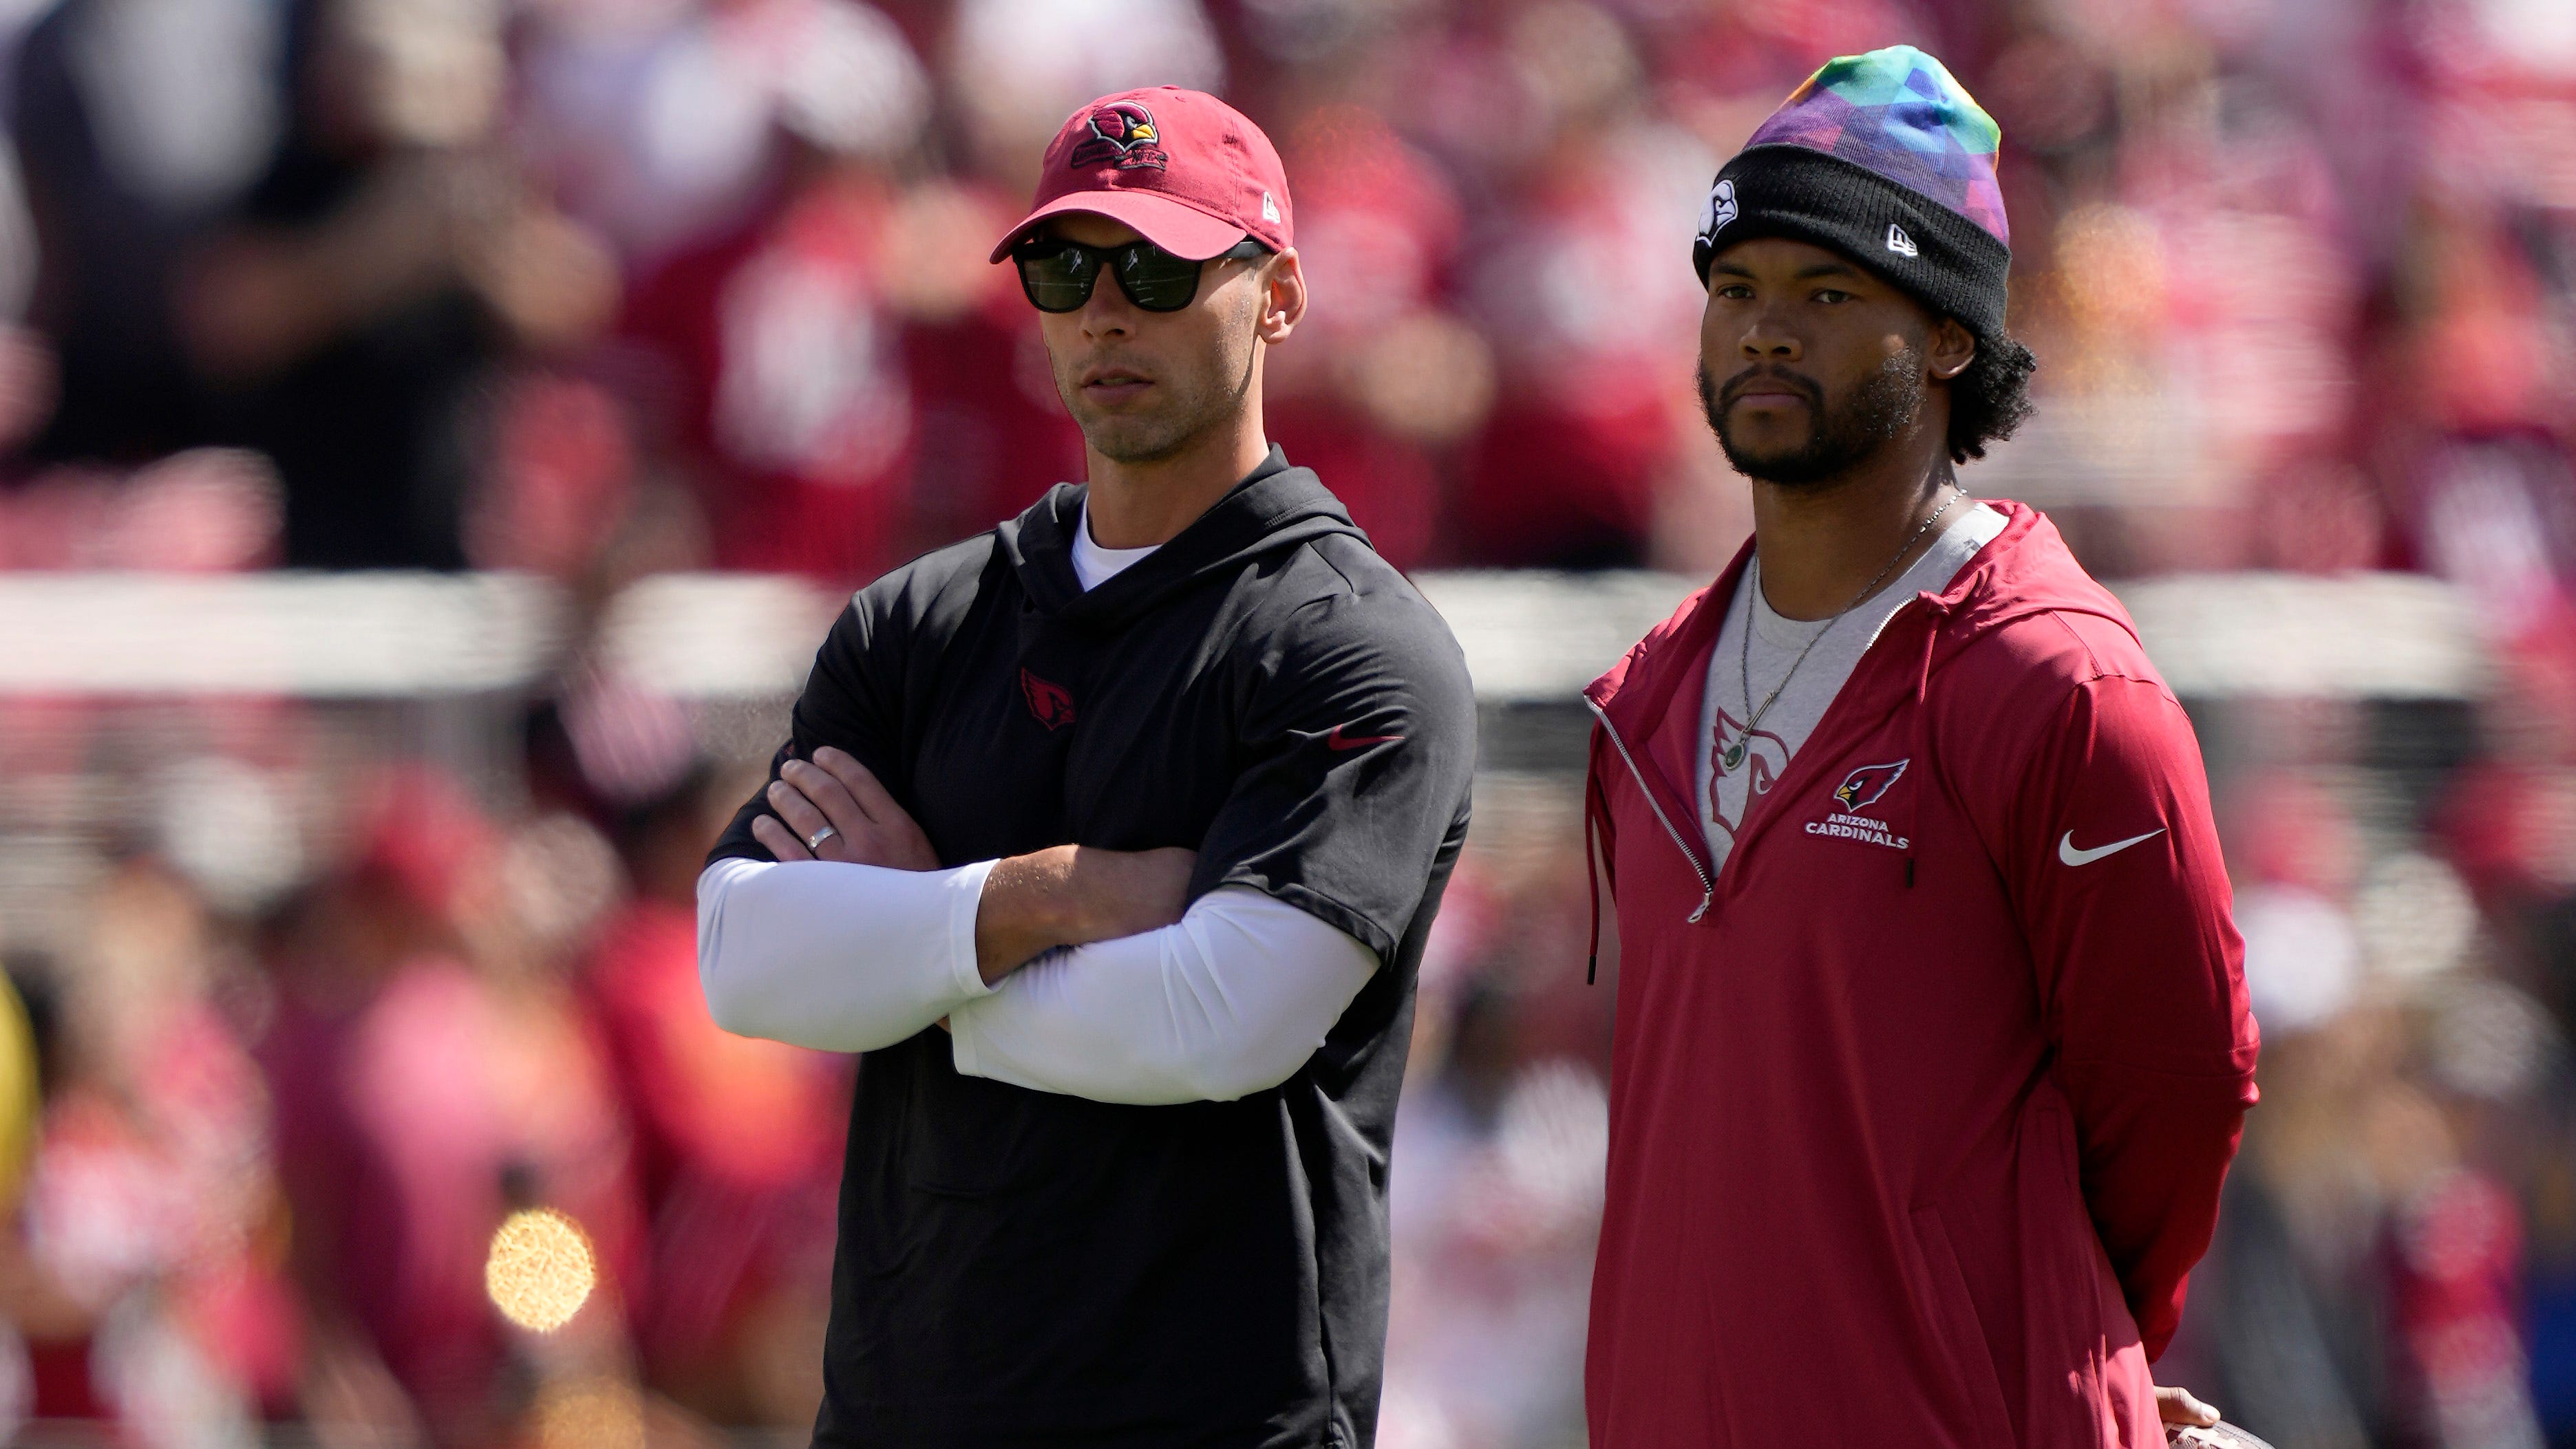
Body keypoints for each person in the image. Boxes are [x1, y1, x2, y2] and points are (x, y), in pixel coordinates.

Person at [694, 86, 1476, 1448]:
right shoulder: (920, 620)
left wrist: (911, 948)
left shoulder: (1356, 647)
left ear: (1278, 296)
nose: (1106, 312)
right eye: (1064, 268)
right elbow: (743, 960)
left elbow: (1221, 1019)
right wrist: (1037, 901)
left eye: (1159, 269)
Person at [1577, 47, 2260, 1449]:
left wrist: (2048, 1334)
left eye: (1827, 294)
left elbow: (2179, 1099)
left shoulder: (2061, 686)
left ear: (1951, 337)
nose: (1765, 332)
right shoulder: (1645, 694)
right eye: (1736, 291)